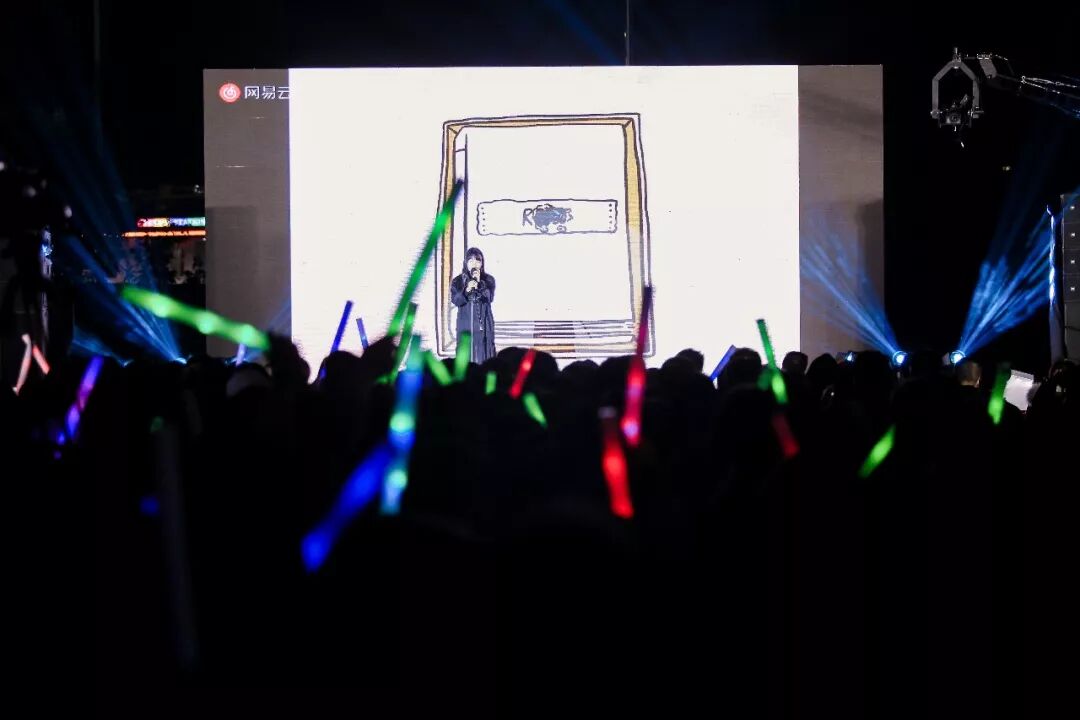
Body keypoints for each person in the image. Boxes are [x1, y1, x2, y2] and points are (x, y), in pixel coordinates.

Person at [450, 247, 496, 363]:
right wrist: (466, 289)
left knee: (484, 354)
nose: (474, 264)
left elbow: (489, 297)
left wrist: (480, 283)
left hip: (483, 323)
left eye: (477, 261)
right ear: (466, 263)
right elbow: (456, 300)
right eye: (471, 261)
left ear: (482, 263)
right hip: (465, 322)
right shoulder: (457, 281)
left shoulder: (488, 279)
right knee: (465, 354)